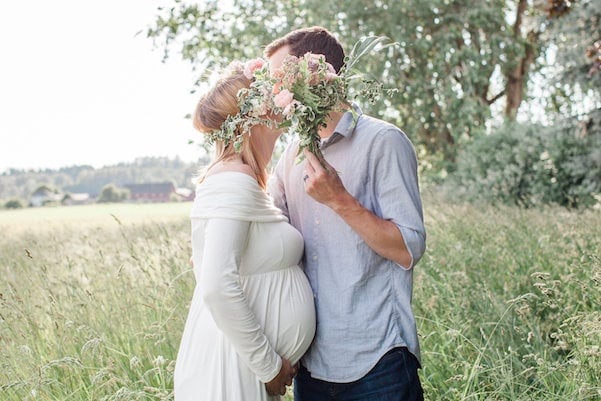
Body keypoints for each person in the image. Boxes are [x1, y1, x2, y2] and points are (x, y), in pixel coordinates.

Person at [265, 26, 427, 401]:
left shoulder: (384, 141)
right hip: (311, 364)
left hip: (379, 359)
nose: (273, 94)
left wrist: (339, 199)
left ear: (316, 72)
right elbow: (268, 226)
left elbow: (408, 248)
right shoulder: (291, 155)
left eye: (278, 80)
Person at [173, 61, 316, 400]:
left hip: (240, 361)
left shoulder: (239, 177)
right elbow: (217, 285)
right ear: (250, 117)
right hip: (234, 368)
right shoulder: (233, 179)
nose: (276, 95)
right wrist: (268, 366)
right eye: (264, 93)